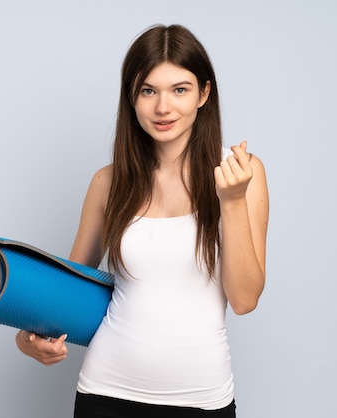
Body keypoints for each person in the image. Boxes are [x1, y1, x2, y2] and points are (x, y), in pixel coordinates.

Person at [15, 24, 269, 417]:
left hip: (200, 400)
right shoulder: (108, 182)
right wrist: (27, 339)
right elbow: (67, 293)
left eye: (179, 90)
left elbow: (245, 299)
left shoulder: (241, 173)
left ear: (204, 93)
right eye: (148, 90)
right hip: (105, 393)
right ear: (131, 96)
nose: (163, 107)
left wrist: (231, 202)